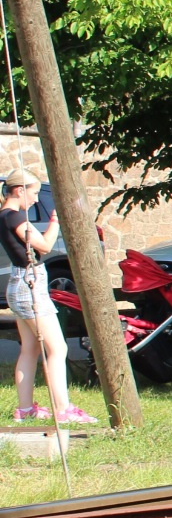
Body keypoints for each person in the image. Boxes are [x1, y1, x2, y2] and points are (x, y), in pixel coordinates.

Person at [3, 169, 94, 426]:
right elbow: (43, 246)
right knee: (58, 348)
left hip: (20, 283)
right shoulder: (14, 217)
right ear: (19, 190)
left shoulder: (5, 216)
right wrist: (55, 222)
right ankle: (63, 409)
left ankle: (25, 409)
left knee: (30, 349)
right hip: (29, 286)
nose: (35, 199)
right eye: (33, 193)